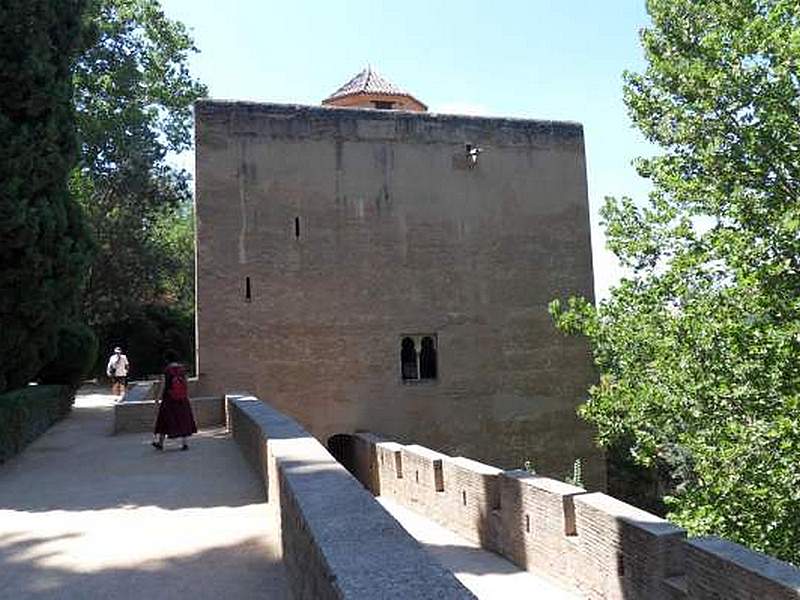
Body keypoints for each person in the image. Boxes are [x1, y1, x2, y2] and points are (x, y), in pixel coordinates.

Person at [152, 350, 197, 451]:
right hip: (182, 398)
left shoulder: (167, 370)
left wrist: (157, 398)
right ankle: (185, 443)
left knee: (164, 419)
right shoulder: (182, 369)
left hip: (169, 398)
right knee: (183, 419)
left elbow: (163, 385)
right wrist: (185, 394)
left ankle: (160, 443)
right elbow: (186, 383)